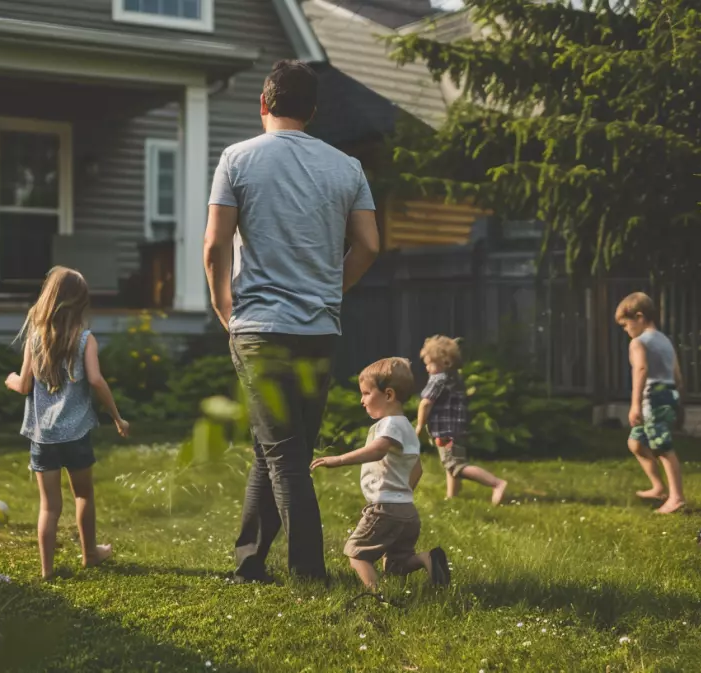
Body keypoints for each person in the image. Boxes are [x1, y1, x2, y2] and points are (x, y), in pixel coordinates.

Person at [204, 59, 381, 583]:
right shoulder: (346, 166)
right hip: (320, 331)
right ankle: (250, 561)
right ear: (313, 111)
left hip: (260, 329)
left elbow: (215, 243)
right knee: (278, 444)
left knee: (282, 452)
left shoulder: (237, 158)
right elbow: (369, 245)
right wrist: (331, 289)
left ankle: (309, 572)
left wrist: (222, 305)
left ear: (264, 104)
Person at [5, 267, 130, 578]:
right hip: (75, 435)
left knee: (49, 507)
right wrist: (116, 416)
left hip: (43, 438)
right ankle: (90, 554)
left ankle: (47, 570)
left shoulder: (35, 338)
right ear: (79, 304)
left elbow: (23, 386)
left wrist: (10, 379)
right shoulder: (85, 340)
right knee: (83, 495)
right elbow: (97, 381)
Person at [310, 358, 450, 591]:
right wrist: (402, 497)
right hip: (407, 511)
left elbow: (378, 450)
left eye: (366, 393)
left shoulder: (390, 424)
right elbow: (418, 469)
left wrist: (339, 460)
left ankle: (376, 595)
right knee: (397, 565)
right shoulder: (407, 428)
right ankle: (428, 559)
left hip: (385, 509)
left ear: (388, 395)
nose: (361, 400)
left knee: (357, 554)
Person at [415, 335, 507, 505]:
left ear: (445, 362)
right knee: (451, 463)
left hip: (445, 431)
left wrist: (420, 425)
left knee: (456, 466)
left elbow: (426, 403)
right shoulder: (454, 377)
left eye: (430, 364)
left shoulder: (438, 379)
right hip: (457, 429)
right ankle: (452, 497)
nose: (427, 368)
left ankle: (496, 484)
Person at [616, 292, 686, 514]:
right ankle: (658, 487)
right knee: (636, 443)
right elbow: (677, 373)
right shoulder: (665, 340)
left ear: (639, 317)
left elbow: (641, 369)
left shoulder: (639, 342)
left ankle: (676, 498)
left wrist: (635, 403)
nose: (625, 330)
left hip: (653, 397)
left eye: (626, 324)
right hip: (668, 393)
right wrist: (678, 400)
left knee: (662, 447)